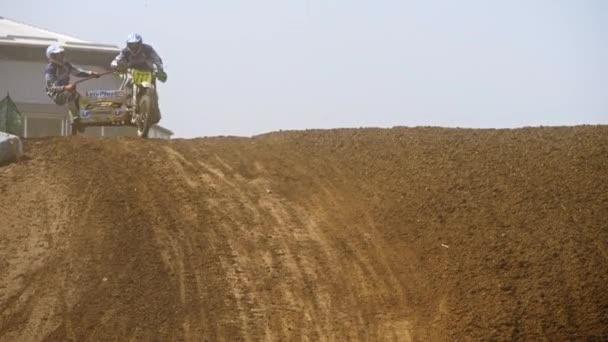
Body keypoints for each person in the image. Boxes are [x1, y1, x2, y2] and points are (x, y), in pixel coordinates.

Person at [111, 33, 167, 123]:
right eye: (132, 45)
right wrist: (115, 65)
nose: (134, 47)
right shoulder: (125, 51)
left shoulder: (148, 49)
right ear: (128, 45)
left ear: (140, 43)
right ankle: (118, 104)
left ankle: (155, 109)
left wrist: (159, 68)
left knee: (153, 90)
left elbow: (157, 58)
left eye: (136, 44)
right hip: (132, 71)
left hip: (147, 71)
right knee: (125, 85)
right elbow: (117, 60)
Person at [44, 43, 99, 126]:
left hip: (67, 90)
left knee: (80, 99)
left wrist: (91, 73)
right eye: (58, 55)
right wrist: (66, 87)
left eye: (61, 54)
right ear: (52, 57)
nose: (61, 57)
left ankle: (81, 120)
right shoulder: (50, 70)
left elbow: (78, 72)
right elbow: (51, 87)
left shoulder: (66, 65)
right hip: (56, 94)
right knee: (70, 95)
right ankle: (76, 119)